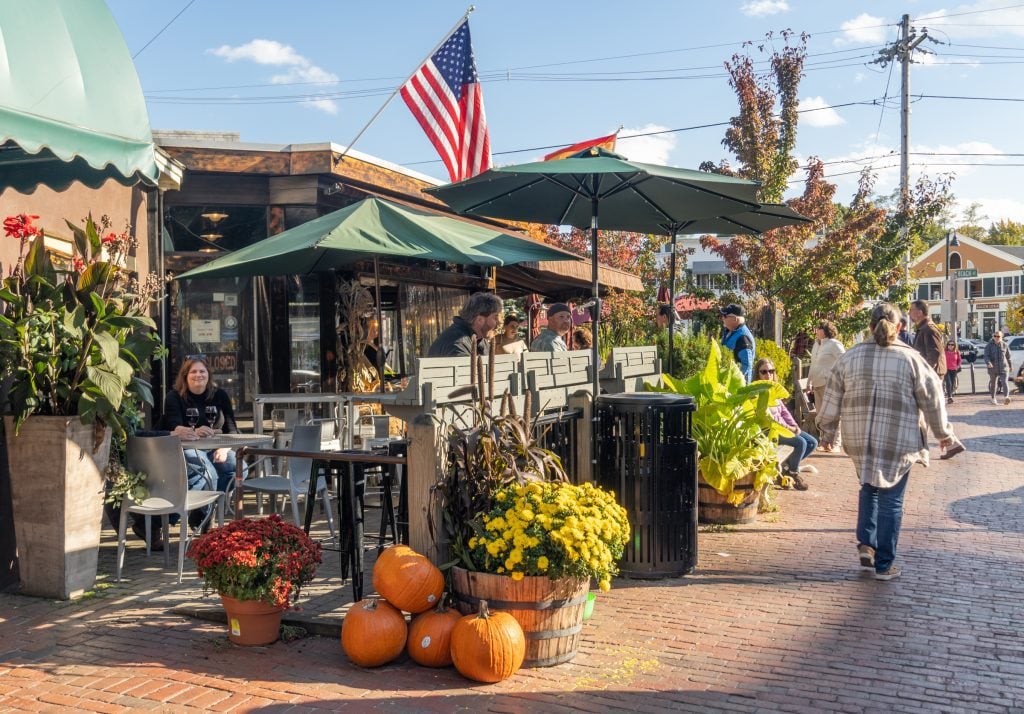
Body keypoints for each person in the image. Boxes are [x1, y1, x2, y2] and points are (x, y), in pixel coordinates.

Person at [816, 303, 963, 582]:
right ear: (899, 327)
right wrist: (944, 435)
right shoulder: (911, 359)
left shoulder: (850, 357)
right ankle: (884, 564)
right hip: (899, 438)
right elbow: (932, 399)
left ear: (869, 327)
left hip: (859, 438)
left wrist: (828, 433)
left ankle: (866, 544)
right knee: (892, 500)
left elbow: (832, 397)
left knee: (868, 486)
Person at [163, 355, 240, 494]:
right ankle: (206, 511)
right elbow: (174, 426)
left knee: (238, 469)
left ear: (208, 375)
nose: (198, 375)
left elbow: (232, 430)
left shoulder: (220, 395)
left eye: (202, 371)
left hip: (215, 449)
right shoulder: (174, 396)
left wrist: (224, 448)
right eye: (193, 372)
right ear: (186, 376)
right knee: (209, 473)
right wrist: (194, 432)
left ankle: (211, 502)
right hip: (188, 448)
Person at [755, 358, 818, 491]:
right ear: (758, 374)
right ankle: (793, 474)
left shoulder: (774, 389)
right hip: (769, 431)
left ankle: (786, 468)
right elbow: (769, 419)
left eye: (771, 371)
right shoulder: (758, 392)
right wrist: (790, 429)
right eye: (764, 372)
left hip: (784, 428)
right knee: (801, 443)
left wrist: (795, 426)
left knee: (812, 442)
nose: (768, 375)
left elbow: (784, 413)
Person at [427, 293, 503, 357]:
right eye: (495, 317)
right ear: (479, 320)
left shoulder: (480, 341)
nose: (499, 322)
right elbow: (468, 374)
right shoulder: (457, 344)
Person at [808, 319, 845, 420]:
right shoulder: (816, 344)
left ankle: (835, 436)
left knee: (831, 418)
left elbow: (844, 361)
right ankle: (823, 436)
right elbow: (813, 364)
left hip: (829, 385)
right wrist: (808, 383)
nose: (816, 330)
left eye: (819, 328)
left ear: (826, 330)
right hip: (816, 386)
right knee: (821, 418)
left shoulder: (834, 344)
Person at [909, 299, 946, 379]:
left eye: (911, 310)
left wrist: (924, 372)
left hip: (931, 376)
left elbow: (934, 354)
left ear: (920, 312)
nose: (909, 313)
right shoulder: (924, 328)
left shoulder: (929, 328)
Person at [720, 303, 755, 383]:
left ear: (735, 319)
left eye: (725, 316)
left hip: (737, 388)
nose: (722, 318)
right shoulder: (730, 332)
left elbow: (746, 365)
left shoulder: (743, 337)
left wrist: (733, 382)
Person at [984, 331, 1012, 405]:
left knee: (1004, 382)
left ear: (1001, 337)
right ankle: (993, 398)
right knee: (993, 384)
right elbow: (986, 356)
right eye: (995, 336)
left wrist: (1010, 366)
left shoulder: (1005, 345)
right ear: (993, 336)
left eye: (998, 336)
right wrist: (988, 363)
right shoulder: (989, 345)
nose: (996, 338)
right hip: (993, 368)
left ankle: (1006, 397)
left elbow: (1008, 357)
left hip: (1003, 367)